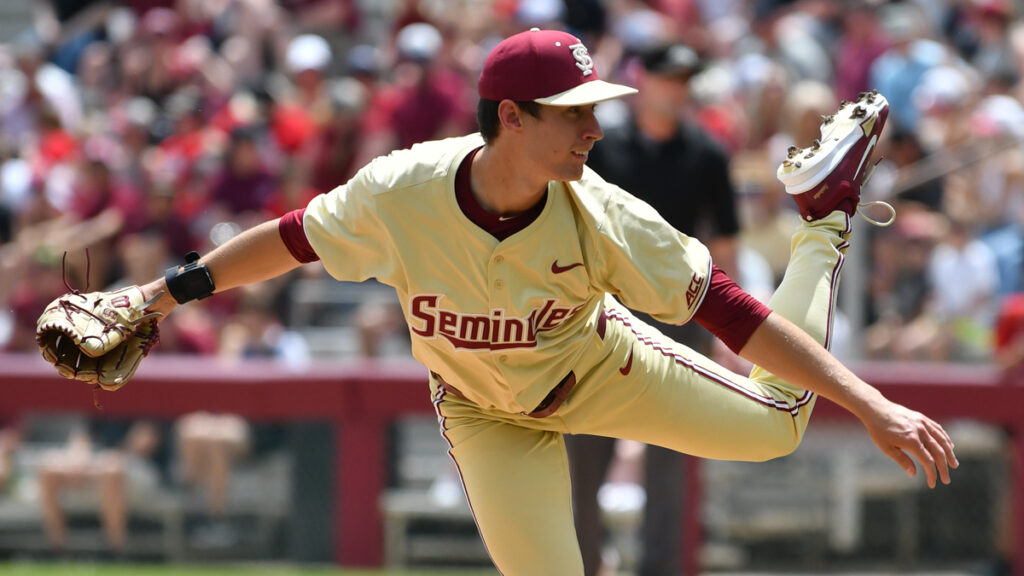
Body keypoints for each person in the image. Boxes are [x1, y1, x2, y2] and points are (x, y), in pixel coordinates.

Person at [135, 29, 956, 575]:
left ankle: (821, 220)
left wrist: (870, 402)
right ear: (511, 118)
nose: (592, 128)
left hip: (600, 368)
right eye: (571, 114)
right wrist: (157, 297)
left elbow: (736, 314)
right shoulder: (401, 190)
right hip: (484, 414)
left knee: (780, 426)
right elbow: (289, 238)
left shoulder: (602, 211)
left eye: (595, 110)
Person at [566, 41, 740, 576]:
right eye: (669, 77)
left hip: (677, 318)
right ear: (644, 80)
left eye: (686, 79)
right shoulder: (602, 146)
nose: (678, 88)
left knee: (669, 462)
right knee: (581, 456)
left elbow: (725, 252)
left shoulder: (708, 154)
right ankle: (583, 567)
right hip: (600, 314)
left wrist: (728, 333)